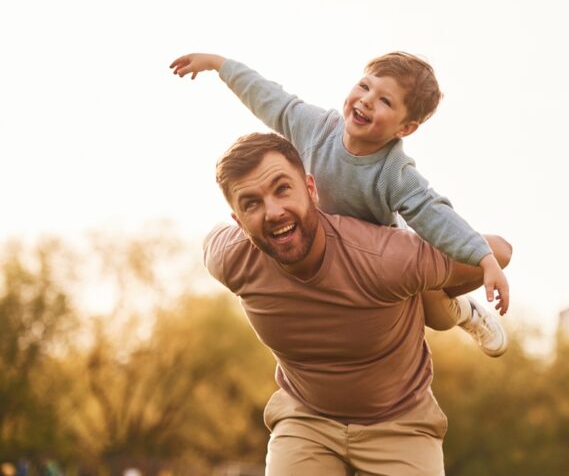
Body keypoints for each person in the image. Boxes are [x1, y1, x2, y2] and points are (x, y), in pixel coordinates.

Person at [203, 132, 512, 474]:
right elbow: (210, 242)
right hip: (307, 421)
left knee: (436, 309)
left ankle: (458, 309)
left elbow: (500, 251)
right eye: (251, 203)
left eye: (282, 189)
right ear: (238, 221)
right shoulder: (231, 258)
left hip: (400, 424)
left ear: (311, 188)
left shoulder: (383, 257)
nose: (273, 212)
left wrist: (434, 288)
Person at [171, 51, 511, 356]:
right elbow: (270, 98)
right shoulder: (317, 128)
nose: (365, 101)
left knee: (436, 316)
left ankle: (467, 312)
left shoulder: (394, 172)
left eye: (385, 102)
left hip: (378, 258)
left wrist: (483, 259)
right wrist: (219, 65)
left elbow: (432, 212)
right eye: (364, 87)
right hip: (322, 248)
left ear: (405, 128)